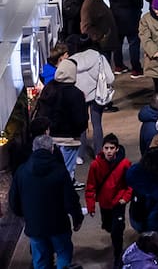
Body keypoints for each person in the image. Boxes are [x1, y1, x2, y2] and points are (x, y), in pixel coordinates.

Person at [10, 134, 85, 268]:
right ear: (52, 149)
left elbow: (14, 201)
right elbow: (71, 199)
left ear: (33, 149)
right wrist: (77, 218)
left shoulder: (22, 171)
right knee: (63, 255)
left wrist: (26, 216)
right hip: (58, 225)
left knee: (40, 260)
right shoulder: (60, 171)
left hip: (35, 226)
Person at [35, 58, 89, 183]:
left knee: (51, 172)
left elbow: (42, 112)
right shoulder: (76, 93)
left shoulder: (49, 88)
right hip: (69, 140)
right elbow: (81, 119)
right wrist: (78, 131)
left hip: (50, 138)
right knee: (66, 173)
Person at [86, 133, 133, 266]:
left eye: (112, 148)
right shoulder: (95, 165)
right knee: (108, 226)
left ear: (117, 149)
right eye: (106, 148)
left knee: (117, 231)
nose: (109, 151)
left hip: (118, 203)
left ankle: (118, 257)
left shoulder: (125, 164)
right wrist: (91, 206)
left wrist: (125, 198)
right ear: (102, 149)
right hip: (104, 204)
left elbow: (130, 184)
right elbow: (90, 186)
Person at [80, 0, 120, 69]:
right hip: (100, 45)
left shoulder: (98, 1)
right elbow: (85, 27)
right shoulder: (89, 5)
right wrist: (101, 37)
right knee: (103, 69)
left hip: (105, 44)